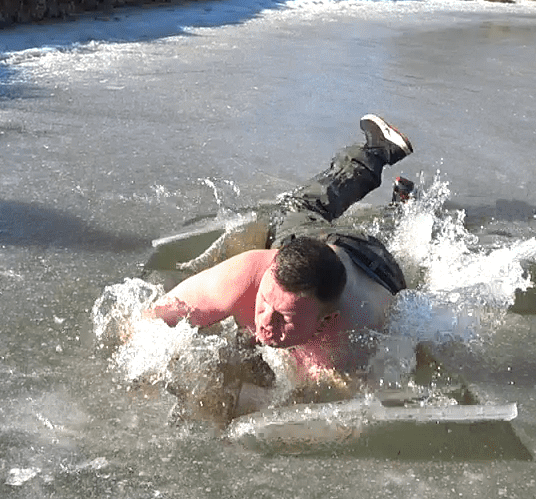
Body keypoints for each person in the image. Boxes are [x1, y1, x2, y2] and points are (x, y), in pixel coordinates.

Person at [146, 115, 413, 395]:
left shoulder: (355, 340)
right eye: (263, 302)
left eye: (283, 319)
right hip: (311, 245)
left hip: (377, 267)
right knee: (297, 207)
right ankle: (377, 151)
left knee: (392, 238)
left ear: (326, 320)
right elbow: (154, 317)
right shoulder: (247, 274)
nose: (264, 323)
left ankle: (399, 209)